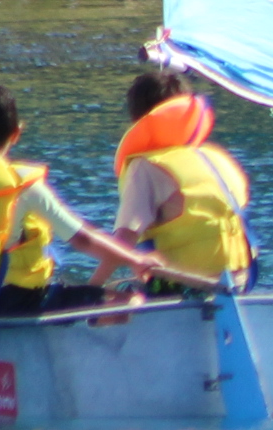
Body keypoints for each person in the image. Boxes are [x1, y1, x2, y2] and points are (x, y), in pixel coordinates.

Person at [0, 78, 159, 315]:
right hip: (14, 303)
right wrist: (135, 259)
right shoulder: (22, 185)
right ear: (16, 133)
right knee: (128, 299)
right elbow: (83, 239)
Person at [99, 67, 253, 296]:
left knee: (113, 291)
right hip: (240, 282)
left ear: (137, 119)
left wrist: (89, 288)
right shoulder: (217, 157)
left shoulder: (145, 167)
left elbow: (123, 242)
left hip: (186, 289)